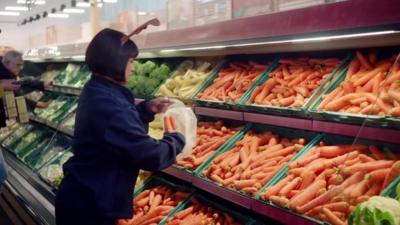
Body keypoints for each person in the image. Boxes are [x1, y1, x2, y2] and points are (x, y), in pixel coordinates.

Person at [55, 28, 185, 225]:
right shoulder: (110, 104)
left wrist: (146, 109)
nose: (132, 68)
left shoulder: (98, 89)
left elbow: (112, 131)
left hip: (83, 194)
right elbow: (150, 155)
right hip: (90, 208)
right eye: (131, 61)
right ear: (115, 60)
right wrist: (176, 138)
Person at [0, 50, 50, 127]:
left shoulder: (8, 71)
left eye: (21, 65)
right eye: (18, 65)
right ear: (7, 62)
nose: (21, 68)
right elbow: (15, 93)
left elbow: (21, 82)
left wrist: (42, 84)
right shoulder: (3, 73)